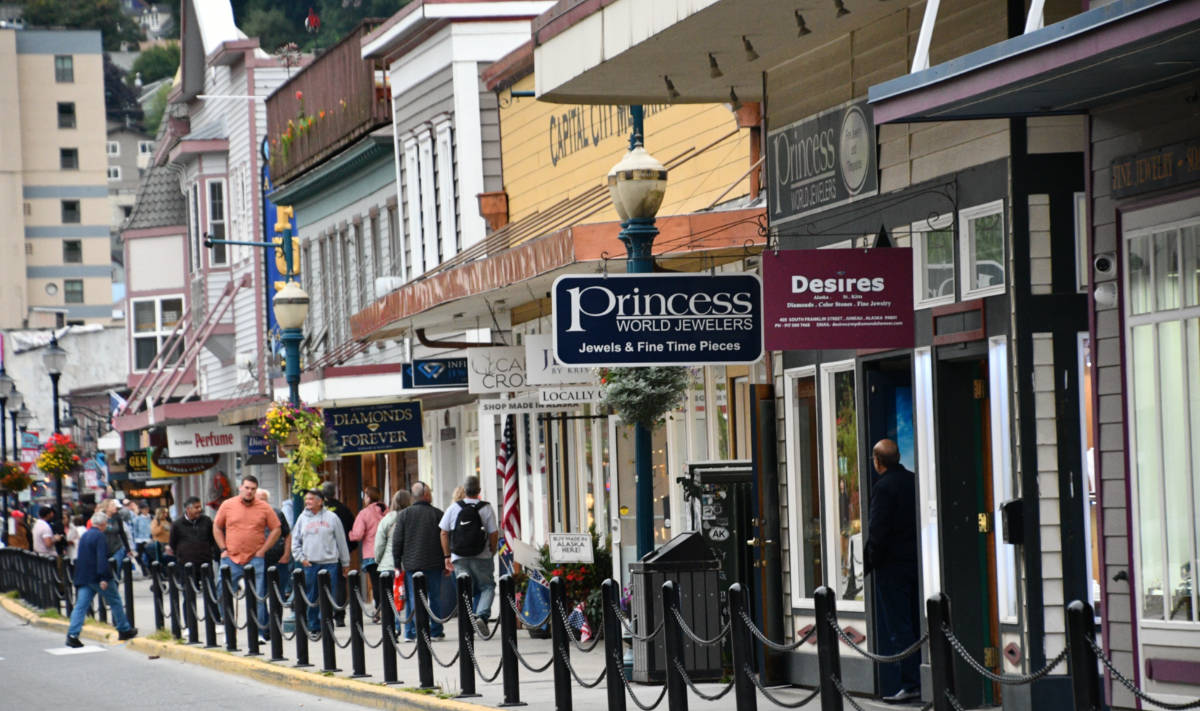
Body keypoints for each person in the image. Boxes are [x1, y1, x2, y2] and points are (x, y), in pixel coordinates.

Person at [864, 439, 921, 704]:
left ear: (878, 461)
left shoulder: (883, 488)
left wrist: (871, 561)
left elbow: (878, 531)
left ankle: (910, 683)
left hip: (892, 568)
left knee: (900, 627)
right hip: (915, 563)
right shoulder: (913, 481)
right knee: (916, 620)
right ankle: (922, 676)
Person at [213, 474, 281, 629]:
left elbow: (276, 528)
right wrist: (223, 549)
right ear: (240, 488)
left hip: (255, 557)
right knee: (222, 591)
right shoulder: (228, 504)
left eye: (253, 489)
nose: (249, 491)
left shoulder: (264, 507)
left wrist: (263, 550)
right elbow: (216, 526)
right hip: (231, 557)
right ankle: (227, 624)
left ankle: (260, 632)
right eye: (247, 488)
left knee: (258, 595)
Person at [65, 511, 137, 647]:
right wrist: (104, 577)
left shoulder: (85, 535)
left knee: (80, 606)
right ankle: (124, 629)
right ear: (103, 524)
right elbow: (101, 558)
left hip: (84, 577)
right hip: (98, 576)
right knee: (115, 601)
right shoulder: (100, 537)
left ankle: (72, 634)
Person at [439, 475, 499, 634]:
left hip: (459, 557)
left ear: (464, 490)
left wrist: (447, 556)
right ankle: (482, 616)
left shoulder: (454, 508)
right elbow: (493, 533)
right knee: (487, 586)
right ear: (479, 491)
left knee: (465, 589)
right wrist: (492, 551)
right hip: (482, 555)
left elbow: (444, 533)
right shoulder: (486, 508)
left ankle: (466, 625)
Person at [391, 481, 447, 640]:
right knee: (435, 597)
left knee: (413, 598)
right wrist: (447, 559)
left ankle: (413, 632)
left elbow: (397, 541)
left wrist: (397, 564)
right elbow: (445, 539)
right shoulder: (437, 514)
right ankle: (435, 631)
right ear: (426, 495)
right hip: (434, 563)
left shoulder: (404, 515)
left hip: (412, 564)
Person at [292, 488, 350, 634]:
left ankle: (327, 624)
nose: (307, 502)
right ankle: (314, 626)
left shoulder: (332, 517)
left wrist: (345, 563)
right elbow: (295, 541)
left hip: (330, 563)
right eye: (307, 499)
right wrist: (301, 558)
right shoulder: (302, 518)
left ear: (320, 501)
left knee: (329, 596)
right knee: (312, 596)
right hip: (311, 564)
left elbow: (341, 541)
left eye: (311, 499)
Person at [321, 481, 355, 626]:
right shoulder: (343, 509)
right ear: (335, 492)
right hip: (340, 552)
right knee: (339, 584)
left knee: (323, 583)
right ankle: (339, 615)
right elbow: (352, 530)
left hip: (322, 553)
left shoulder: (321, 510)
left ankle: (325, 614)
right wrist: (348, 549)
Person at [256, 488, 292, 597]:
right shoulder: (248, 515)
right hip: (258, 560)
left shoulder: (277, 513)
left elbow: (287, 535)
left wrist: (286, 555)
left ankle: (276, 614)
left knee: (278, 592)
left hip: (278, 560)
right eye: (258, 499)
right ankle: (263, 615)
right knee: (260, 593)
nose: (261, 502)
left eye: (264, 499)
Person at [101, 498, 133, 569]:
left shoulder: (117, 517)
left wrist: (128, 549)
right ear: (107, 507)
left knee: (116, 568)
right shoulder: (101, 518)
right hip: (105, 548)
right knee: (108, 571)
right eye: (112, 505)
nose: (115, 507)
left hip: (117, 547)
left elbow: (122, 533)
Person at [129, 502, 152, 577]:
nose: (146, 510)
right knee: (139, 556)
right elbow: (134, 530)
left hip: (149, 540)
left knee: (150, 556)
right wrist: (135, 540)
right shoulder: (137, 519)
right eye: (144, 509)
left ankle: (151, 571)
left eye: (147, 509)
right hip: (140, 540)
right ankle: (144, 570)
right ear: (141, 510)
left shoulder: (151, 517)